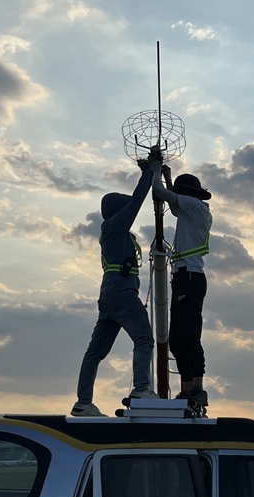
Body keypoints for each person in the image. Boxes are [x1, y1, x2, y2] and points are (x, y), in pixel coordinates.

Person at [72, 159, 158, 416]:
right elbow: (136, 201)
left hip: (109, 296)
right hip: (122, 295)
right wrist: (148, 172)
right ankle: (141, 389)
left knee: (95, 352)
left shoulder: (113, 232)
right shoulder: (115, 226)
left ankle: (83, 403)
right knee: (144, 338)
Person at [149, 157, 212, 406]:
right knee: (177, 338)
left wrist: (155, 173)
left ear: (186, 194)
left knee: (189, 335)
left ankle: (197, 388)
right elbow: (173, 205)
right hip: (183, 277)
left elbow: (160, 194)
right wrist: (168, 176)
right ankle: (187, 388)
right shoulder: (191, 209)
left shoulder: (196, 207)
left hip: (191, 277)